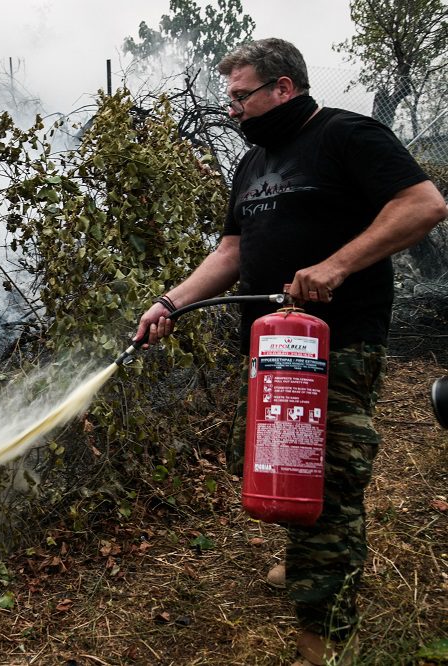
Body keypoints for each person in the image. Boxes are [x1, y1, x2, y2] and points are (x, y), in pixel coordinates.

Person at [134, 38, 448, 665]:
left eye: (241, 96)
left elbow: (424, 205)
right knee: (256, 460)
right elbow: (232, 252)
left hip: (338, 346)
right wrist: (170, 302)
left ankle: (325, 641)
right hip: (268, 350)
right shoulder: (251, 167)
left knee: (325, 484)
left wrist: (335, 266)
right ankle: (302, 552)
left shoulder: (346, 135)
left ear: (284, 88)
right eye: (229, 100)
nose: (232, 111)